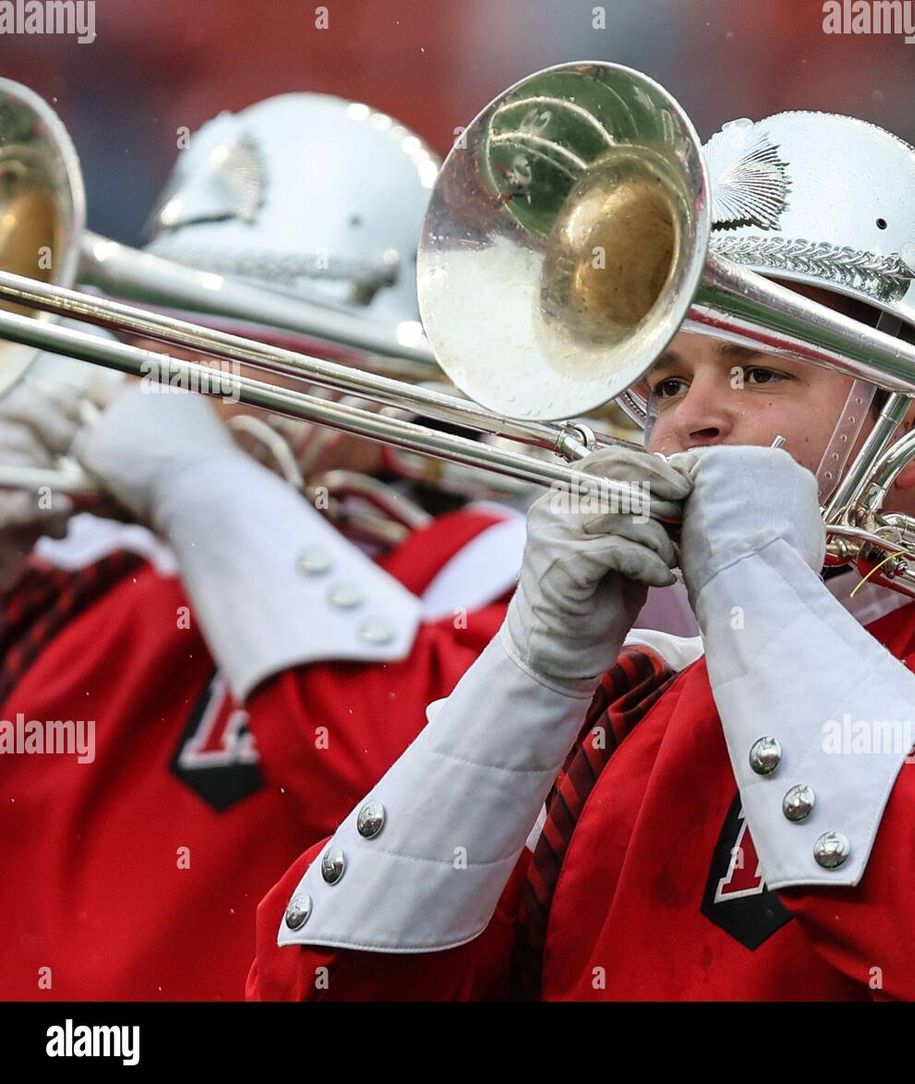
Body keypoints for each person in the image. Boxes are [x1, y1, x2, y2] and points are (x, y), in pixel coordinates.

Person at [248, 111, 915, 1001]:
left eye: (759, 372)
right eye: (666, 381)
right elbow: (317, 984)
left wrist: (754, 571)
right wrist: (532, 675)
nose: (691, 415)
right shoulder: (620, 709)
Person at [0, 92, 528, 1000]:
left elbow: (430, 824)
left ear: (391, 371)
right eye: (165, 346)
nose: (180, 389)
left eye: (248, 352)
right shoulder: (93, 570)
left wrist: (203, 489)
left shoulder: (490, 566)